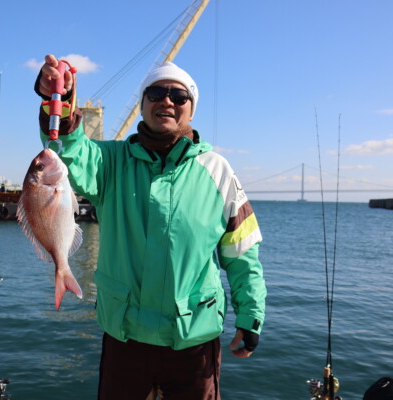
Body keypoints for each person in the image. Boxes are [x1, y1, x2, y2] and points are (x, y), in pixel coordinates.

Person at [34, 54, 267, 400]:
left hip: (194, 343)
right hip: (124, 339)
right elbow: (69, 151)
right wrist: (61, 101)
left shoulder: (219, 171)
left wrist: (250, 315)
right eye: (156, 94)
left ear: (191, 108)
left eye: (179, 96)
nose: (167, 102)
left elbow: (242, 254)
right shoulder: (110, 163)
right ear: (142, 105)